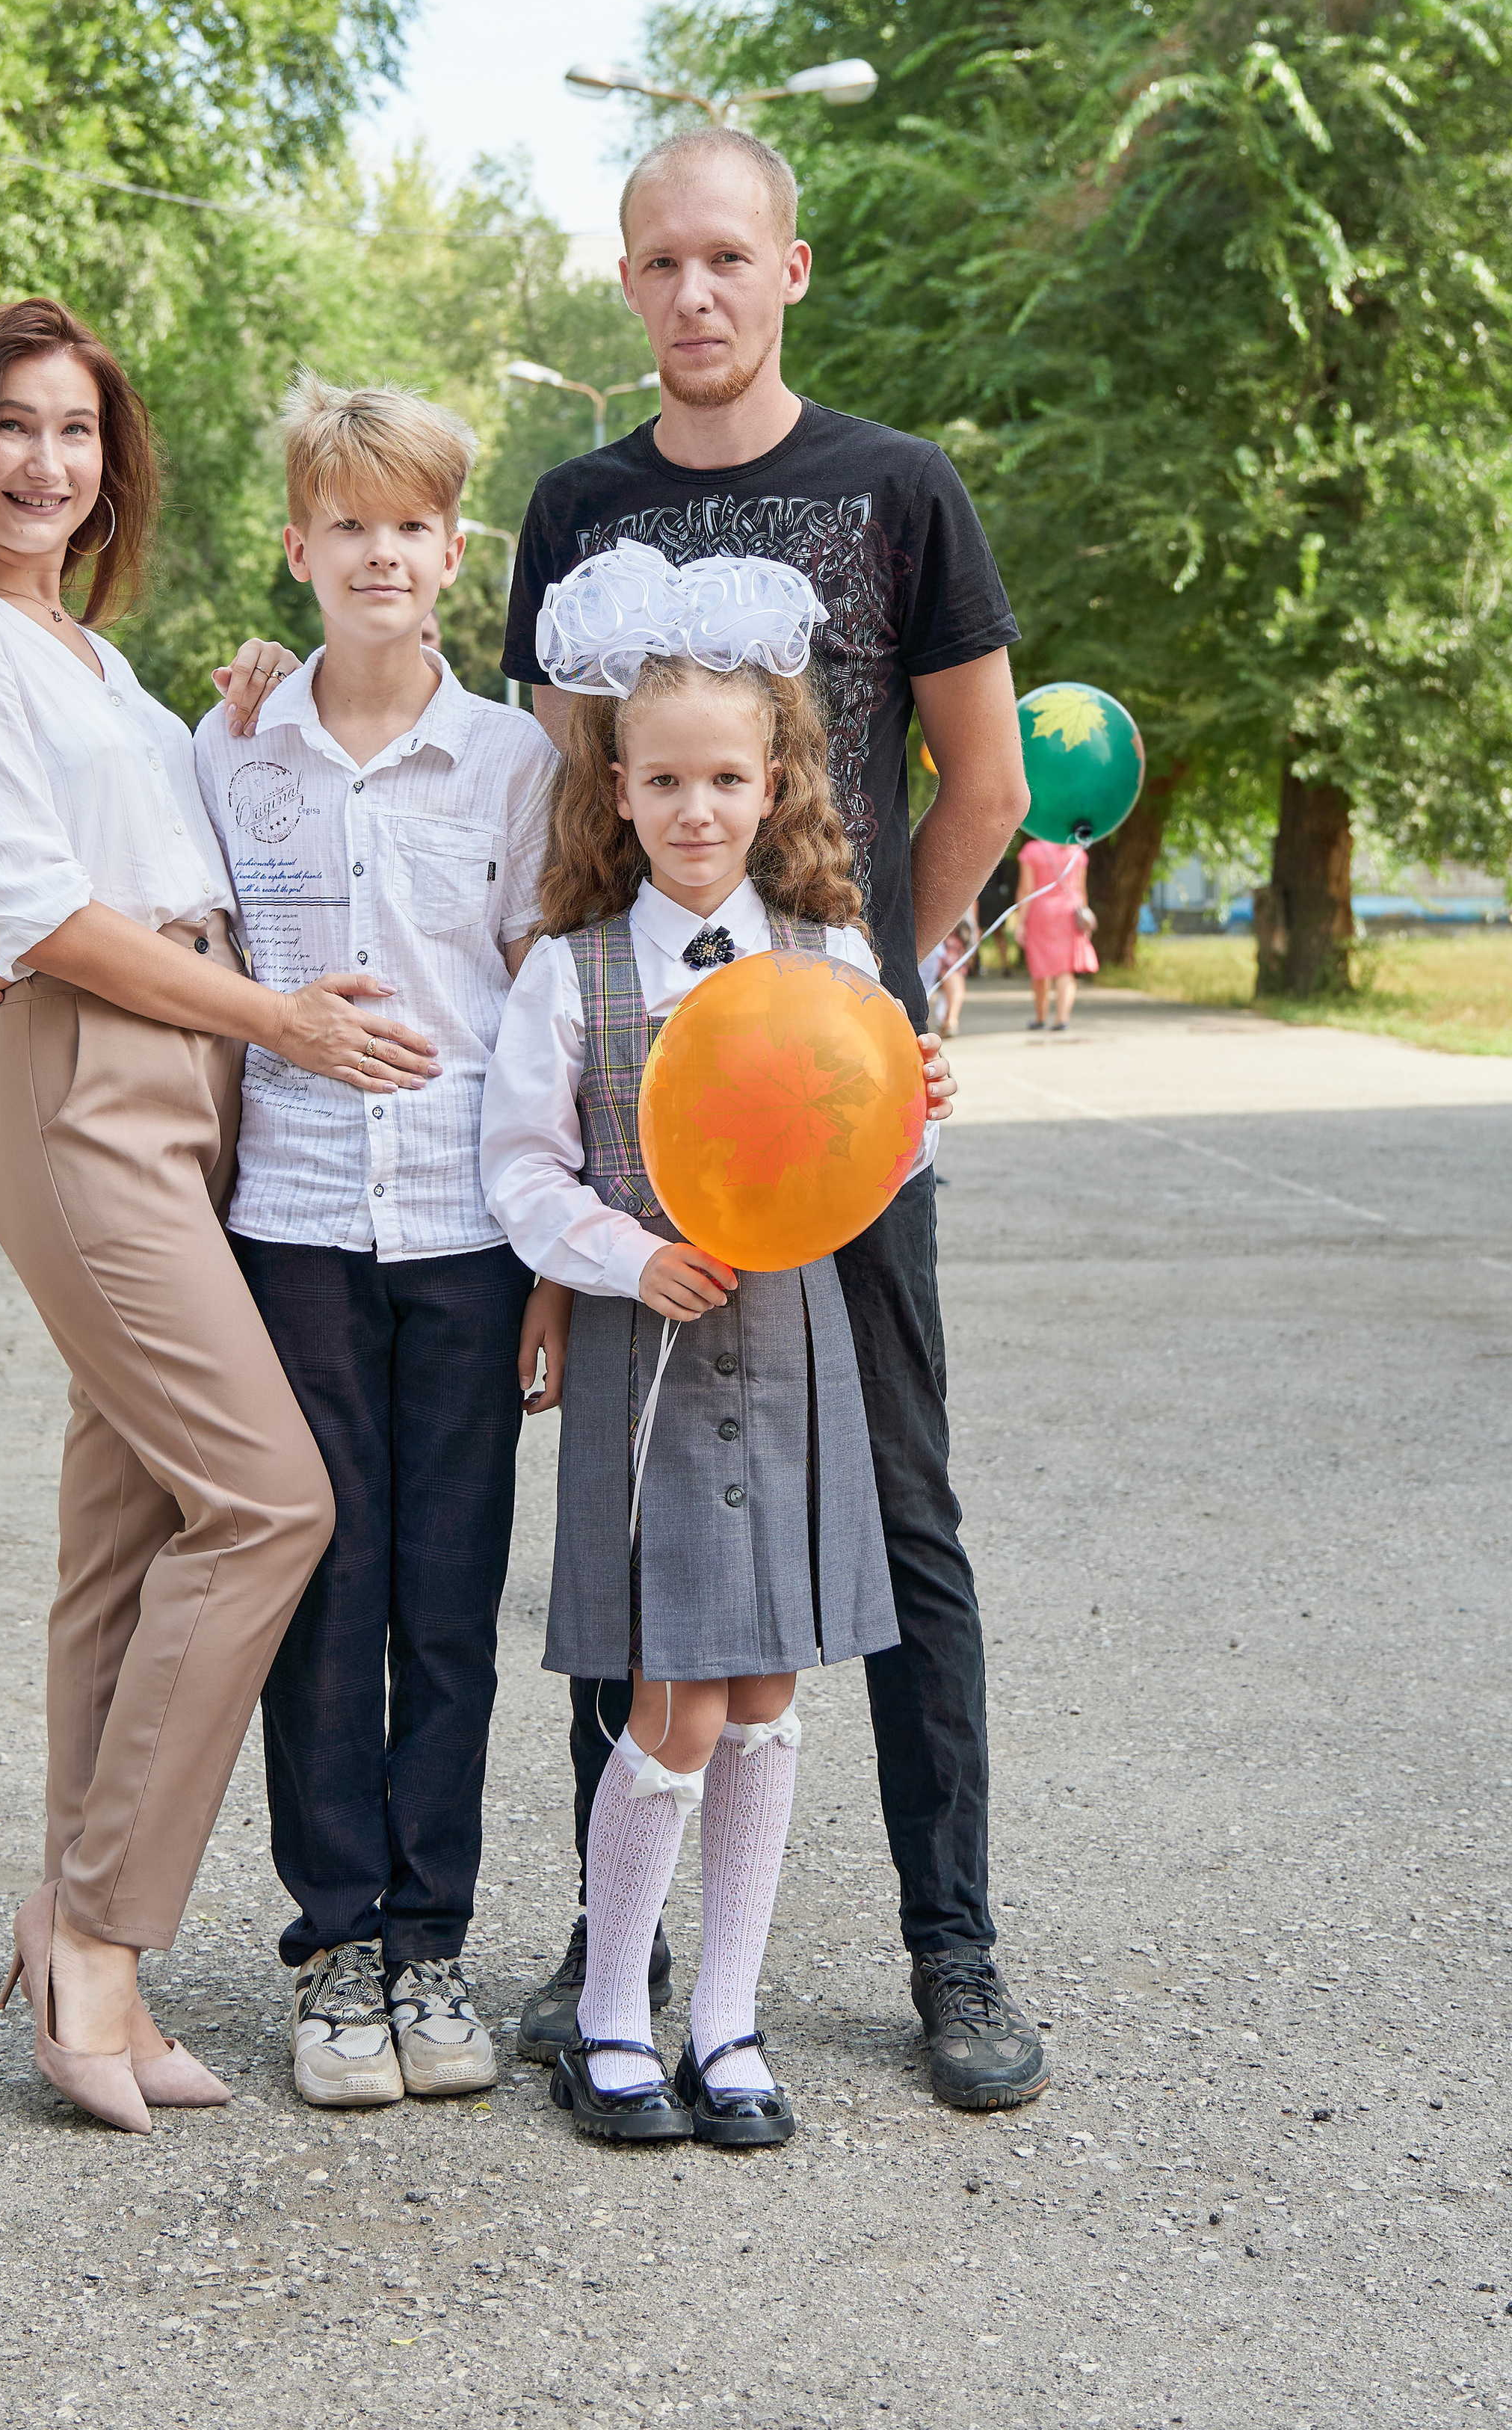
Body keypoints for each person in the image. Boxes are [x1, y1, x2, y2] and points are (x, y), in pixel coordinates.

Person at [0, 295, 439, 2139]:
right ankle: (99, 1928)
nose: (44, 462)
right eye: (10, 427)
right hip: (99, 1072)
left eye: (77, 432)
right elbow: (33, 912)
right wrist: (282, 1021)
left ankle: (77, 1927)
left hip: (188, 1077)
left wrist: (236, 715)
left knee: (130, 1527)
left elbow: (167, 840)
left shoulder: (78, 650)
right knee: (269, 1497)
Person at [489, 127, 1044, 2112]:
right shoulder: (575, 507)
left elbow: (978, 777)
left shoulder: (899, 489)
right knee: (633, 1524)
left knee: (897, 1513)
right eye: (660, 262)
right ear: (628, 285)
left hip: (836, 1116)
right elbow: (557, 799)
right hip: (637, 1111)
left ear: (790, 269)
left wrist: (892, 989)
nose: (695, 291)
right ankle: (607, 1956)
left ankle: (951, 1949)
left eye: (728, 255)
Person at [481, 546, 950, 2147]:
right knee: (667, 1701)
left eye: (726, 780)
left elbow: (864, 1161)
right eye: (664, 780)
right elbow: (521, 1171)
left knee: (763, 1697)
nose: (696, 810)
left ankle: (728, 2022)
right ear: (616, 789)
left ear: (772, 787)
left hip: (791, 1347)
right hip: (651, 1355)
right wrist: (619, 1254)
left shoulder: (825, 964)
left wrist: (913, 1118)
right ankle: (613, 2013)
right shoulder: (569, 969)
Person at [191, 376, 562, 2111]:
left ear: (451, 550)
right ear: (296, 548)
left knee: (448, 1595)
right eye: (347, 524)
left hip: (467, 1235)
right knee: (324, 1583)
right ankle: (331, 1937)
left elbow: (541, 1009)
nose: (380, 553)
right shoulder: (230, 747)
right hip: (295, 1224)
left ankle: (433, 1941)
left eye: (410, 525)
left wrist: (556, 1258)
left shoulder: (514, 760)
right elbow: (176, 948)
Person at [1014, 838, 1096, 1029]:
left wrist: (1020, 923)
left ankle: (1041, 1017)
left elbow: (1026, 889)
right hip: (1068, 914)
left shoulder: (1032, 850)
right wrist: (1084, 917)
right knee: (1065, 970)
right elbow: (1081, 890)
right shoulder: (1076, 851)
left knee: (1040, 967)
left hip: (1040, 913)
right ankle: (1062, 1019)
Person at [922, 907, 978, 1036]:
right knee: (952, 968)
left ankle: (924, 1023)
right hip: (954, 913)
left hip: (931, 915)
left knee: (922, 968)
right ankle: (951, 1020)